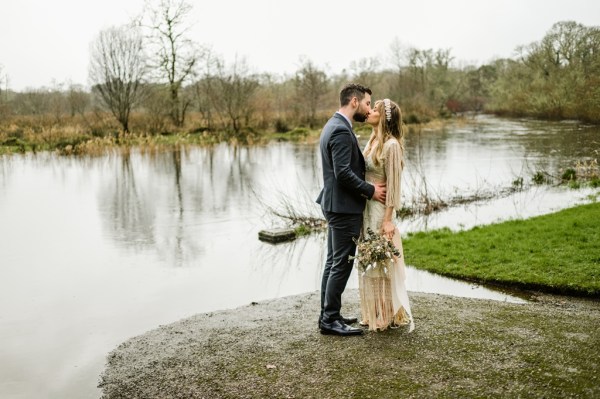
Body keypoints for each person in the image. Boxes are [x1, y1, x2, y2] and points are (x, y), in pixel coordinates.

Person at [316, 83, 387, 336]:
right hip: (344, 207)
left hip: (335, 204)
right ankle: (329, 319)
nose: (369, 108)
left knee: (332, 262)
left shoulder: (333, 125)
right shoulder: (342, 131)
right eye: (368, 103)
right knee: (341, 264)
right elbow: (343, 173)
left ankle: (328, 314)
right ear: (354, 101)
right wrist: (371, 191)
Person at [358, 98, 414, 332]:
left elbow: (393, 185)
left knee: (381, 262)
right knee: (370, 260)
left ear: (383, 117)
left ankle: (387, 314)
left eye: (374, 110)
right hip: (367, 208)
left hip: (380, 210)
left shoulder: (391, 146)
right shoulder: (372, 141)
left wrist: (388, 219)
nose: (369, 111)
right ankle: (373, 311)